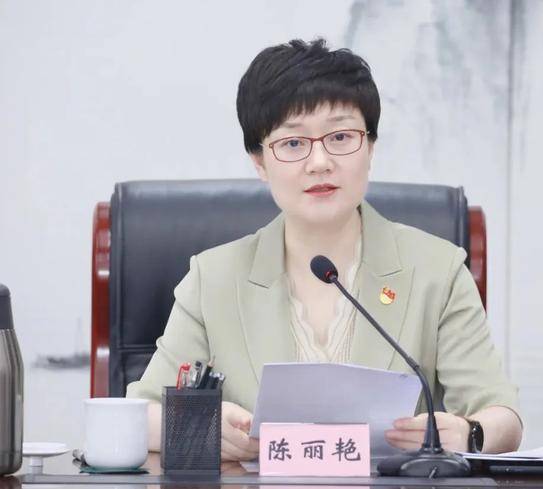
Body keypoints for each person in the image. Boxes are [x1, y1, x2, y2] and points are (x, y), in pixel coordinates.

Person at [126, 38, 522, 462]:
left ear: (370, 147)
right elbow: (138, 415)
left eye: (341, 136)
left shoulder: (436, 271)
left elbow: (503, 417)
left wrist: (469, 433)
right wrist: (202, 426)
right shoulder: (214, 278)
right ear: (259, 162)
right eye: (293, 143)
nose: (319, 162)